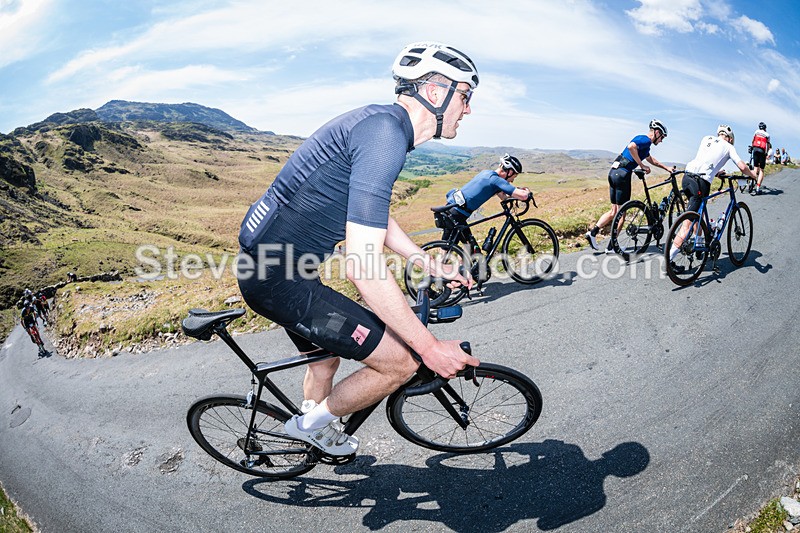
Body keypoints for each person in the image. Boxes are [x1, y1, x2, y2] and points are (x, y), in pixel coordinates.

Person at [235, 41, 481, 456]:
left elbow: (372, 215)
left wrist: (422, 260)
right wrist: (429, 348)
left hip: (269, 271)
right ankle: (309, 427)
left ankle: (313, 426)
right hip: (279, 282)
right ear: (437, 93)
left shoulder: (380, 125)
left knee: (325, 360)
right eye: (465, 96)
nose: (468, 109)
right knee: (401, 363)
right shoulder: (386, 134)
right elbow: (363, 268)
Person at [668, 125, 758, 267]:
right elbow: (741, 166)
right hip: (700, 182)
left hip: (687, 177)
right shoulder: (729, 147)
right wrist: (752, 175)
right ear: (730, 138)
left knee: (698, 212)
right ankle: (669, 260)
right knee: (687, 223)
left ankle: (699, 245)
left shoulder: (706, 138)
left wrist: (716, 172)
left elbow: (705, 160)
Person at [585, 119, 673, 253]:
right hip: (623, 175)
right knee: (622, 213)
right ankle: (612, 247)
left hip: (613, 172)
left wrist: (666, 167)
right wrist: (642, 165)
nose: (661, 141)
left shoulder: (644, 144)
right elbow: (632, 147)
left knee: (614, 211)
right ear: (657, 132)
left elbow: (651, 159)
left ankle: (593, 233)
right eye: (662, 137)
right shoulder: (645, 140)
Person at [440, 153, 531, 243]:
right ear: (510, 172)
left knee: (471, 247)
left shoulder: (487, 173)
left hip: (454, 210)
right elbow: (524, 196)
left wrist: (514, 193)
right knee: (447, 248)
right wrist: (526, 191)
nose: (512, 180)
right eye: (514, 176)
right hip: (457, 214)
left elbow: (503, 197)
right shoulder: (496, 180)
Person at [749, 122, 770, 194]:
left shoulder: (756, 132)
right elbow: (768, 145)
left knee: (755, 168)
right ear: (765, 128)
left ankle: (751, 183)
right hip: (762, 151)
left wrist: (752, 147)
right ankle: (757, 188)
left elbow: (753, 141)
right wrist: (766, 152)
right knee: (761, 170)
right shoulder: (767, 135)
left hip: (755, 149)